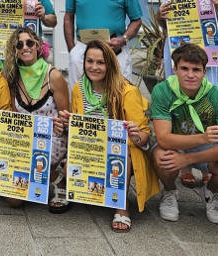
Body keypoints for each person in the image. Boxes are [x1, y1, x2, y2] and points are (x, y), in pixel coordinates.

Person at [60, 40, 160, 230]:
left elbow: (146, 137)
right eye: (90, 61)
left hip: (120, 154)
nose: (94, 67)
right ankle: (85, 188)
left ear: (111, 65)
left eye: (101, 62)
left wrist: (136, 133)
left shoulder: (128, 91)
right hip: (91, 150)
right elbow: (78, 132)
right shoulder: (78, 89)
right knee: (67, 171)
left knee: (122, 152)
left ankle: (121, 206)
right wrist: (67, 123)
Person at [150, 43, 218, 224]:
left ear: (205, 72)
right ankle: (169, 191)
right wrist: (202, 137)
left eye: (196, 70)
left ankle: (212, 191)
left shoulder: (217, 96)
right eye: (184, 68)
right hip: (177, 147)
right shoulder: (163, 90)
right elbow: (163, 139)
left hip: (207, 151)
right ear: (174, 69)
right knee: (161, 156)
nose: (190, 75)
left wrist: (189, 160)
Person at [0, 28, 70, 212]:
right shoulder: (12, 78)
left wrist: (61, 123)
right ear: (14, 51)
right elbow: (14, 118)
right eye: (19, 44)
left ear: (38, 45)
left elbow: (67, 119)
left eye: (29, 42)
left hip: (52, 141)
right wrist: (4, 119)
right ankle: (39, 179)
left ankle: (58, 176)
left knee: (33, 179)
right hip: (25, 142)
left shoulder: (54, 76)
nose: (25, 47)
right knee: (14, 202)